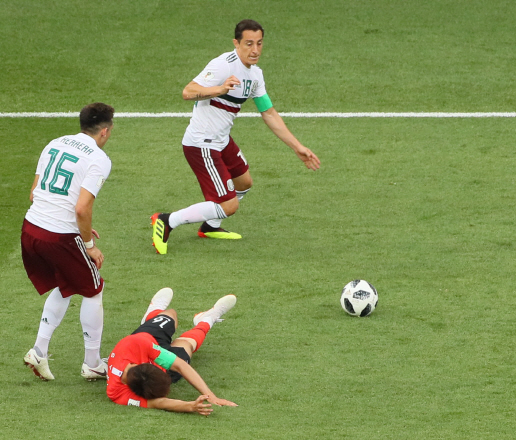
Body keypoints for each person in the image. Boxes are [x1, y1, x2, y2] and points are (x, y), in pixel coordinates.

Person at [151, 19, 321, 254]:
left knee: (244, 183)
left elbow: (269, 113)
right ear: (236, 43)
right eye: (249, 44)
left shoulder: (256, 75)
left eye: (259, 44)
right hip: (202, 143)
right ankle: (167, 220)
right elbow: (187, 92)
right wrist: (219, 89)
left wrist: (297, 147)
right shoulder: (224, 65)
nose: (255, 50)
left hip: (222, 140)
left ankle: (210, 226)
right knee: (229, 206)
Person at [21, 102, 114, 381]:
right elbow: (82, 209)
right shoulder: (99, 158)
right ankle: (93, 363)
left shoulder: (54, 143)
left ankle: (39, 350)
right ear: (105, 132)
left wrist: (80, 228)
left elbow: (34, 193)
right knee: (93, 289)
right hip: (58, 235)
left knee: (66, 283)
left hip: (30, 229)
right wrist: (89, 245)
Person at [106, 288, 238, 415]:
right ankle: (206, 320)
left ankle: (151, 315)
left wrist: (211, 396)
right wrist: (191, 406)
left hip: (147, 339)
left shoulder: (134, 344)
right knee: (187, 344)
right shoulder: (116, 393)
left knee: (171, 314)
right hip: (149, 350)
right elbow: (160, 403)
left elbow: (180, 366)